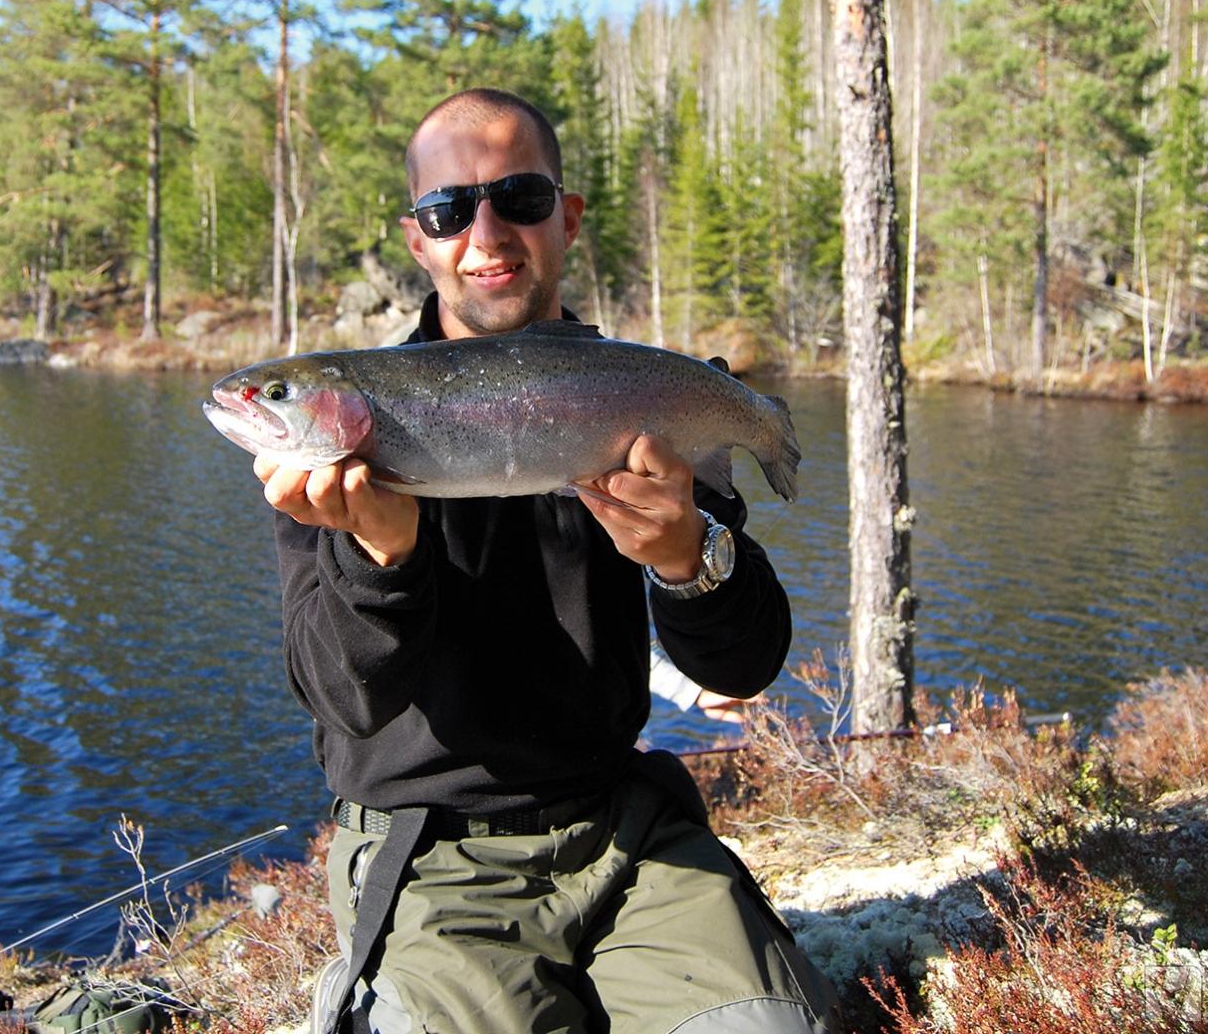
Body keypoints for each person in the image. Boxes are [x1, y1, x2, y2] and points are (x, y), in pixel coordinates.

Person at [254, 88, 840, 1033]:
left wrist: (687, 558)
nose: (485, 235)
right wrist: (381, 556)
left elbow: (744, 665)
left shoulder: (638, 393)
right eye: (449, 210)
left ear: (566, 218)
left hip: (627, 831)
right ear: (418, 241)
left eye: (519, 199)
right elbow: (345, 703)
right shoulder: (333, 463)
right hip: (431, 858)